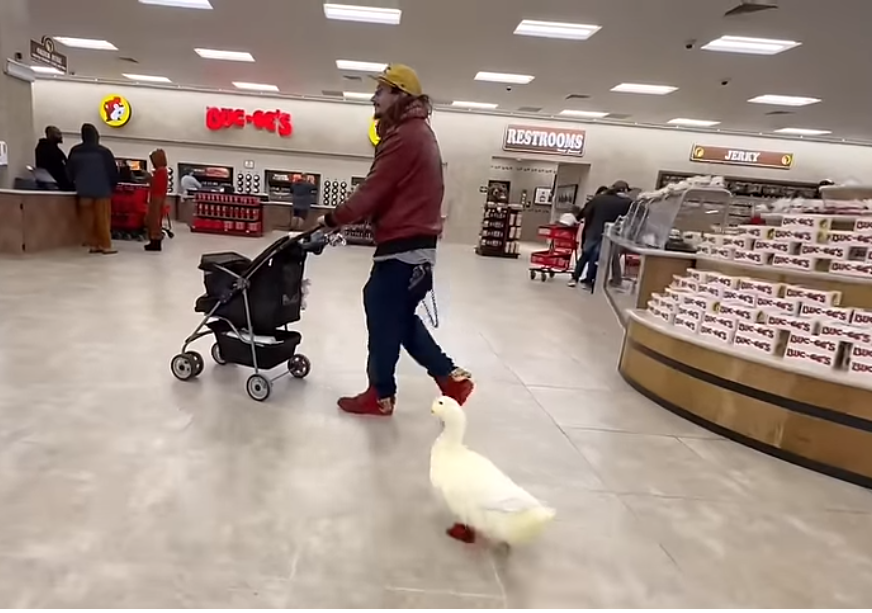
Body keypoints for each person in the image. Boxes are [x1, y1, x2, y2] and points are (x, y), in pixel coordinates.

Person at [318, 64, 473, 417]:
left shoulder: (406, 136)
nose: (374, 97)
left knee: (384, 313)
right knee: (395, 315)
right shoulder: (415, 132)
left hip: (405, 245)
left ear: (400, 96)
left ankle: (382, 394)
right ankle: (450, 377)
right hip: (410, 243)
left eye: (381, 90)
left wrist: (333, 218)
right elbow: (389, 193)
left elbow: (374, 188)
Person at [568, 180, 633, 290]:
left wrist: (579, 220)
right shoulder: (627, 203)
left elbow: (586, 212)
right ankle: (589, 281)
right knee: (596, 258)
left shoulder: (598, 198)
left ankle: (575, 278)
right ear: (624, 190)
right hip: (609, 234)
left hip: (593, 231)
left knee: (585, 255)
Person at [68, 123, 120, 255]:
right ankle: (106, 245)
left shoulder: (75, 151)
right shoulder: (104, 152)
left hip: (83, 190)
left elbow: (69, 172)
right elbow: (112, 172)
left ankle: (94, 244)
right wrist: (112, 187)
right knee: (102, 219)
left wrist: (74, 184)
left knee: (88, 219)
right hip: (101, 191)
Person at [35, 125, 74, 191]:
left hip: (48, 183)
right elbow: (59, 168)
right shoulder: (51, 150)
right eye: (58, 134)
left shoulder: (43, 148)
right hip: (55, 185)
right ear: (51, 135)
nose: (61, 136)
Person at [145, 148, 168, 252]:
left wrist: (149, 178)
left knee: (153, 220)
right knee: (155, 221)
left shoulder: (160, 172)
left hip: (156, 198)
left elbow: (156, 185)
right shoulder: (163, 171)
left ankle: (154, 242)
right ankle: (154, 242)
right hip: (159, 197)